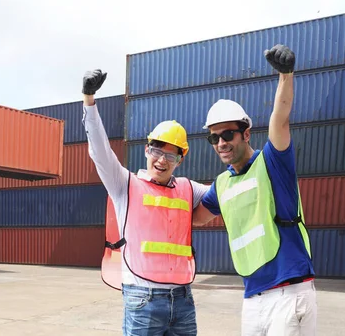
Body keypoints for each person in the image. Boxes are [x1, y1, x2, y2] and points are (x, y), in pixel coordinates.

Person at [195, 44, 317, 335]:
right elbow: (195, 217)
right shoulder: (222, 185)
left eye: (228, 134)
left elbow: (280, 117)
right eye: (214, 138)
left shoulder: (273, 161)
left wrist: (285, 75)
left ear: (246, 133)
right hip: (252, 296)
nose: (221, 143)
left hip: (290, 291)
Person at [82, 69, 211, 336]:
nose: (162, 161)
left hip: (183, 298)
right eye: (156, 151)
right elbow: (100, 151)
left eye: (171, 156)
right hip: (143, 298)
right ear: (146, 150)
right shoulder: (124, 184)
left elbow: (225, 194)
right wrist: (89, 100)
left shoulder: (188, 188)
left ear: (180, 160)